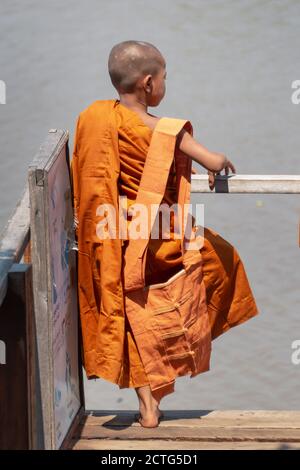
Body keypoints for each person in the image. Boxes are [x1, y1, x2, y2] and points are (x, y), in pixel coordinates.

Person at [70, 40, 259, 430]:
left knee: (131, 317)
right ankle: (180, 351)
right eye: (165, 78)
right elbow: (213, 160)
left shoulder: (94, 118)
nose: (165, 84)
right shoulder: (166, 130)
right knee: (221, 260)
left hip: (115, 242)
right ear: (149, 83)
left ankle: (147, 406)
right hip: (160, 240)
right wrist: (219, 161)